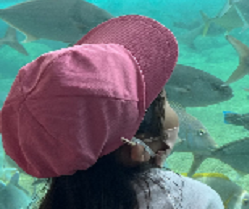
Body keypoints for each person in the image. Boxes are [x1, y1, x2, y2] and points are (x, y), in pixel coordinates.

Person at [0, 15, 225, 209]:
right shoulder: (193, 199)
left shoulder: (54, 200)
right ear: (135, 149)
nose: (176, 110)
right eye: (166, 103)